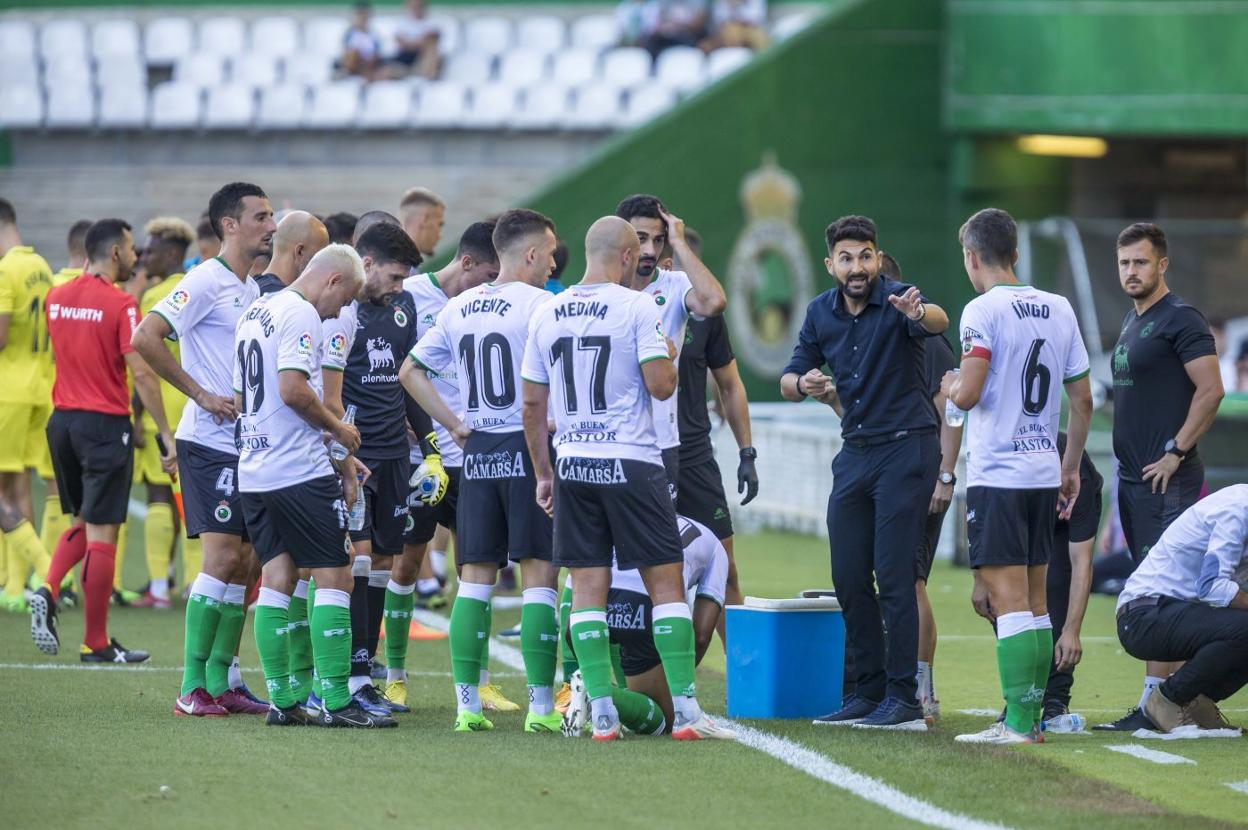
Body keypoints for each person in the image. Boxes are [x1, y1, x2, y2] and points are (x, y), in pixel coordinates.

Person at [521, 214, 734, 741]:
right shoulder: (638, 306)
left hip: (573, 462)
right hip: (633, 462)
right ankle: (686, 713)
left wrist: (544, 472)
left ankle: (603, 714)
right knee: (665, 586)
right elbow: (662, 387)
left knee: (587, 590)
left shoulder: (548, 312)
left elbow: (531, 402)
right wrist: (670, 353)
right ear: (623, 256)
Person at [780, 215, 948, 731]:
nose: (858, 267)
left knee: (895, 577)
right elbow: (788, 378)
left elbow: (937, 320)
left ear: (878, 258)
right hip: (855, 451)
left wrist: (918, 311)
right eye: (847, 257)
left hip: (907, 449)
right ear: (831, 264)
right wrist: (803, 382)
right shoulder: (818, 313)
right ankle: (865, 692)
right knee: (849, 577)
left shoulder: (899, 300)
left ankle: (903, 700)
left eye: (866, 255)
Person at [401, 209, 561, 733]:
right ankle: (541, 707)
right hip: (528, 444)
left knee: (474, 581)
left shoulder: (460, 306)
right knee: (539, 579)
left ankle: (467, 705)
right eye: (551, 252)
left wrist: (454, 424)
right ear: (531, 254)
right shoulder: (544, 305)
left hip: (478, 450)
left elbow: (410, 371)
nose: (554, 262)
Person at [943, 207, 1093, 745]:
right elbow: (1083, 399)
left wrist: (951, 385)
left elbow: (971, 392)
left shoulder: (980, 311)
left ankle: (1021, 725)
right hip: (1041, 470)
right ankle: (1027, 719)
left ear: (971, 257)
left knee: (1008, 604)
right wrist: (1069, 467)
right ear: (1015, 253)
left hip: (1000, 474)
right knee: (1034, 603)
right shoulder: (1059, 308)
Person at [234, 244, 392, 728]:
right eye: (344, 301)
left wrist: (334, 450)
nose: (340, 312)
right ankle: (336, 699)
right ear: (332, 281)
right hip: (295, 472)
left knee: (278, 578)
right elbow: (293, 390)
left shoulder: (256, 310)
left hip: (255, 468)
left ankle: (283, 701)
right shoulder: (301, 313)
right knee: (336, 575)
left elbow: (246, 395)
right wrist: (340, 431)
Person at [133, 182, 274, 717]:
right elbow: (146, 337)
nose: (271, 225)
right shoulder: (206, 280)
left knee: (245, 563)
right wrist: (201, 394)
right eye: (260, 216)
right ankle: (191, 686)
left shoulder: (253, 289)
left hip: (247, 445)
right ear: (229, 225)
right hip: (208, 442)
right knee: (219, 559)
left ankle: (222, 681)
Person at [1096, 222, 1225, 732]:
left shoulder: (1181, 318)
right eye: (1125, 263)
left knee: (1161, 594)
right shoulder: (1133, 320)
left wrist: (1176, 451)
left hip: (1165, 481)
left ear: (1162, 264)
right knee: (1152, 587)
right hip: (1133, 482)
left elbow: (1211, 390)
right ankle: (1180, 700)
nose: (1131, 271)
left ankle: (1160, 704)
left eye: (1141, 262)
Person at [28, 219, 176, 663]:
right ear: (115, 253)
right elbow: (143, 373)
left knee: (84, 523)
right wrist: (164, 433)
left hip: (63, 423)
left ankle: (49, 588)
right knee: (103, 533)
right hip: (105, 425)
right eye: (132, 249)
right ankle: (95, 641)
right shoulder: (120, 304)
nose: (136, 256)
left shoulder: (57, 297)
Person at [391, 219, 502, 702]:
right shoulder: (410, 296)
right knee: (406, 563)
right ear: (468, 262)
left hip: (475, 458)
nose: (494, 286)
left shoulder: (492, 304)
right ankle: (394, 674)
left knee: (478, 566)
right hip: (423, 460)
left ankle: (479, 682)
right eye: (489, 274)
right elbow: (394, 371)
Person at [321, 222, 427, 716]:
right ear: (366, 265)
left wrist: (428, 446)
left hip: (395, 458)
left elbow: (408, 380)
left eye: (405, 278)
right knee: (356, 562)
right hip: (356, 459)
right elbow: (330, 395)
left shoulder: (403, 311)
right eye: (395, 276)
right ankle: (350, 674)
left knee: (384, 562)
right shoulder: (341, 314)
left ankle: (366, 668)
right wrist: (342, 453)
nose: (400, 287)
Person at [877, 251, 960, 724]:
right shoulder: (879, 337)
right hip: (893, 470)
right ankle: (908, 683)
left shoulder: (926, 338)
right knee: (898, 580)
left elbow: (949, 402)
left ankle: (921, 689)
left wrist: (945, 475)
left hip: (922, 472)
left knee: (911, 583)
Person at [970, 432, 1102, 726]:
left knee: (1052, 590)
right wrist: (980, 578)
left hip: (1058, 530)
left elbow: (1081, 563)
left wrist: (1072, 630)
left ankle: (1055, 698)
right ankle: (1022, 699)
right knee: (1005, 597)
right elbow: (983, 524)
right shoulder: (1003, 467)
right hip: (1019, 505)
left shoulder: (1077, 479)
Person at [562, 514, 729, 736]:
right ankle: (600, 694)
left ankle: (595, 693)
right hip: (645, 609)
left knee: (630, 683)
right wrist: (677, 684)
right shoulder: (713, 542)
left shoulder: (618, 518)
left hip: (589, 615)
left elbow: (573, 595)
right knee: (663, 721)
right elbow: (700, 636)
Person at [615, 195, 727, 494]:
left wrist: (679, 243)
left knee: (668, 539)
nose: (651, 250)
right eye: (641, 239)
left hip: (663, 442)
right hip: (612, 443)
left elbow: (714, 302)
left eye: (659, 239)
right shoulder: (603, 292)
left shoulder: (675, 285)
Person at [1116, 484, 1248, 732]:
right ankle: (1169, 698)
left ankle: (1198, 702)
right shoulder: (1236, 512)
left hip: (1173, 612)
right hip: (1142, 617)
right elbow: (1212, 588)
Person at [131, 217, 197, 610]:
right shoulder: (197, 290)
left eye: (151, 250)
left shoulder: (154, 296)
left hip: (161, 407)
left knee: (158, 493)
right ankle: (193, 584)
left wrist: (138, 414)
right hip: (193, 404)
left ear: (172, 253)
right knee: (194, 500)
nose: (144, 256)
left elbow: (144, 366)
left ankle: (158, 588)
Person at [0, 198, 55, 613]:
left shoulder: (6, 270)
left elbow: (1, 337)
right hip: (39, 386)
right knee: (18, 488)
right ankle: (17, 589)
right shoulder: (41, 268)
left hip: (9, 389)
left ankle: (47, 570)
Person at [36, 220, 93, 579]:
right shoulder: (95, 292)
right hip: (87, 405)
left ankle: (40, 576)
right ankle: (61, 578)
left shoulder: (52, 289)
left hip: (47, 396)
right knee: (90, 503)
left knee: (50, 491)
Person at [255, 211, 330, 296]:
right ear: (300, 251)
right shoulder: (287, 301)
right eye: (319, 257)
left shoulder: (251, 289)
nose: (321, 267)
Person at [393, 0, 441, 79]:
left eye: (419, 5)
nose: (417, 9)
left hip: (423, 57)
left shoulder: (433, 22)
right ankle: (417, 73)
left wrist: (412, 43)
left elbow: (432, 40)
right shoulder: (402, 22)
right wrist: (421, 42)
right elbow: (401, 43)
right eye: (414, 6)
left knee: (432, 50)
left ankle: (422, 74)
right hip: (406, 58)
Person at [400, 187, 446, 259]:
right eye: (439, 224)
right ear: (425, 219)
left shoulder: (388, 260)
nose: (440, 236)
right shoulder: (401, 267)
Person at [341, 2, 382, 80]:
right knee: (353, 54)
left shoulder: (374, 36)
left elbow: (377, 54)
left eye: (366, 16)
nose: (363, 18)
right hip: (353, 65)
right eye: (360, 15)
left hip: (369, 65)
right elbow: (346, 53)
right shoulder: (349, 34)